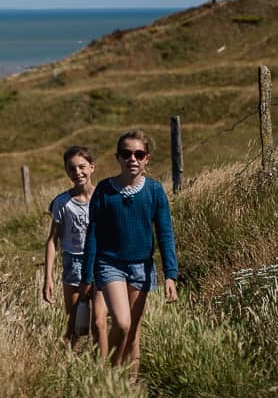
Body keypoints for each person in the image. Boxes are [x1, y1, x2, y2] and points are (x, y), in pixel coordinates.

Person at [79, 129, 178, 381]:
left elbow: (165, 233)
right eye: (126, 153)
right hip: (109, 265)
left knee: (133, 333)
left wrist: (170, 275)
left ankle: (130, 388)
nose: (132, 158)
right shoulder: (103, 190)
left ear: (146, 158)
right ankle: (110, 376)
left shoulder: (155, 191)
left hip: (142, 268)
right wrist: (88, 276)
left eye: (138, 153)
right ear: (118, 158)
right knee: (122, 323)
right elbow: (93, 234)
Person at [43, 145, 98, 347]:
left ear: (92, 167)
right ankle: (68, 360)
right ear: (67, 171)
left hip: (100, 262)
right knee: (75, 320)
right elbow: (52, 240)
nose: (78, 172)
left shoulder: (104, 197)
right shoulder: (62, 203)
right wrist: (48, 277)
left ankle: (99, 365)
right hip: (74, 262)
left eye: (82, 167)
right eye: (72, 168)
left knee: (98, 321)